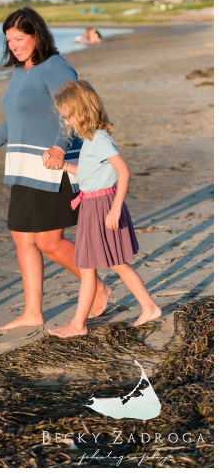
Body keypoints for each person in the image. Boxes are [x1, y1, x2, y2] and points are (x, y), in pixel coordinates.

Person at [0, 7, 111, 330]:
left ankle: (98, 287)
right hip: (22, 165)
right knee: (22, 239)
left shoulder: (57, 68)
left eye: (19, 38)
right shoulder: (21, 71)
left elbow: (79, 111)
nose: (14, 45)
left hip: (52, 165)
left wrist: (59, 145)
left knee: (48, 241)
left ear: (36, 35)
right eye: (9, 40)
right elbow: (13, 121)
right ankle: (33, 312)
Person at [49, 81, 160, 337]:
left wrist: (115, 209)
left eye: (69, 116)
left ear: (84, 110)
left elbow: (124, 171)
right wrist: (64, 166)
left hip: (103, 206)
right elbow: (89, 174)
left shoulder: (99, 139)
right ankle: (148, 307)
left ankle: (80, 324)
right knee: (97, 265)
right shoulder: (89, 139)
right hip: (91, 205)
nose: (66, 122)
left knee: (110, 264)